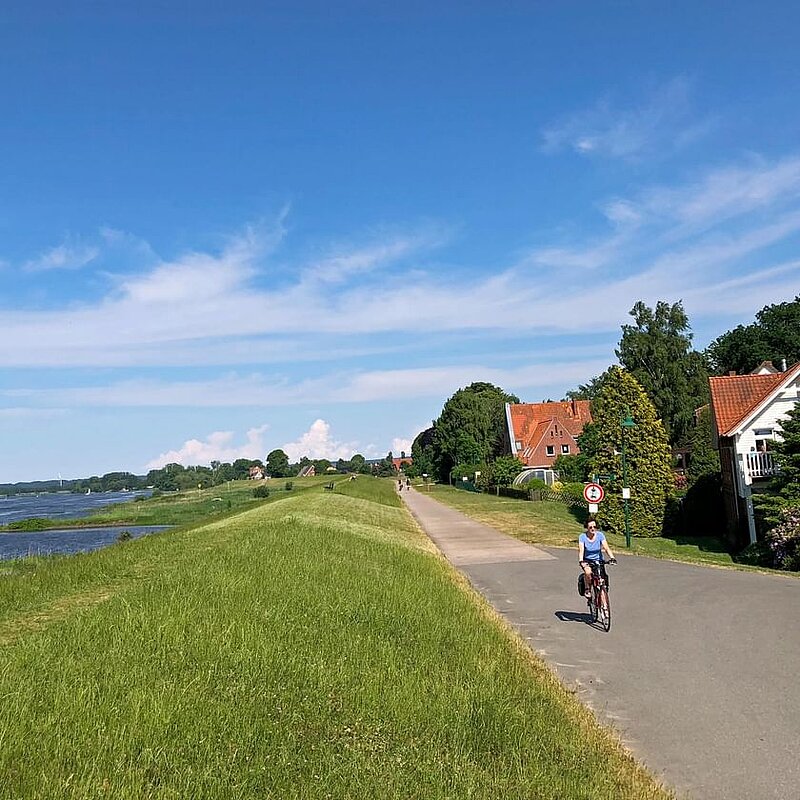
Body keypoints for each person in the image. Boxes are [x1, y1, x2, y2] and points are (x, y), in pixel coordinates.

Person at [578, 519, 616, 601]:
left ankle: (603, 596)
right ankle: (587, 589)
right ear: (587, 528)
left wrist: (612, 558)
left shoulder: (600, 535)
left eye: (594, 527)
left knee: (602, 578)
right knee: (588, 572)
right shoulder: (582, 537)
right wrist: (581, 561)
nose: (593, 529)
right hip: (587, 560)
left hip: (599, 560)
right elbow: (581, 550)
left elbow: (606, 548)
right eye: (590, 527)